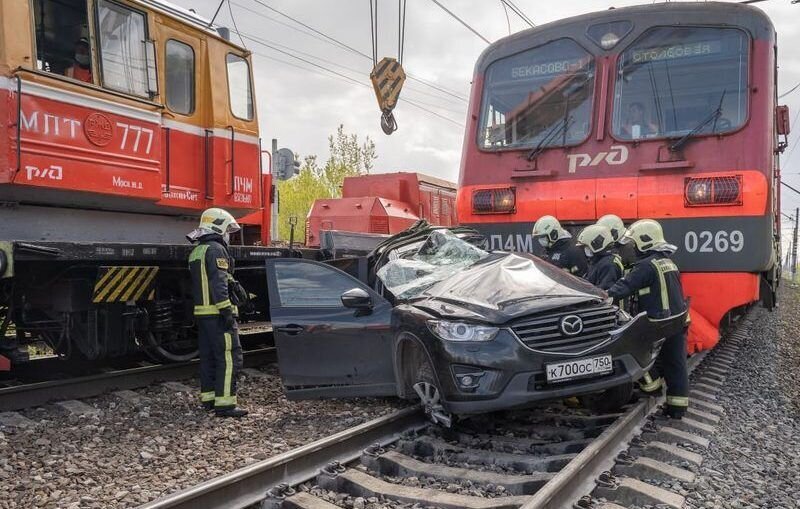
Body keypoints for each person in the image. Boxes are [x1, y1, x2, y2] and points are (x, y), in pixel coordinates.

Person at [606, 219, 690, 419]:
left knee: (636, 352)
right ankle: (677, 408)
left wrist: (603, 295)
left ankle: (653, 389)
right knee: (676, 365)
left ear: (644, 241)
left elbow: (624, 286)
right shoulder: (668, 261)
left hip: (661, 323)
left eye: (633, 244)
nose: (631, 248)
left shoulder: (645, 265)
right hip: (677, 321)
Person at [188, 208, 247, 418]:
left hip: (203, 315)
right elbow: (219, 284)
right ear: (218, 225)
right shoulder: (216, 250)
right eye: (227, 230)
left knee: (208, 357)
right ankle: (226, 404)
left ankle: (210, 399)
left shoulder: (198, 250)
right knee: (229, 357)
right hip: (218, 314)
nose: (228, 235)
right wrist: (227, 312)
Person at [576, 225, 624, 290]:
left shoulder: (608, 264)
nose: (585, 250)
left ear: (597, 244)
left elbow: (604, 291)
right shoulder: (598, 261)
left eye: (586, 247)